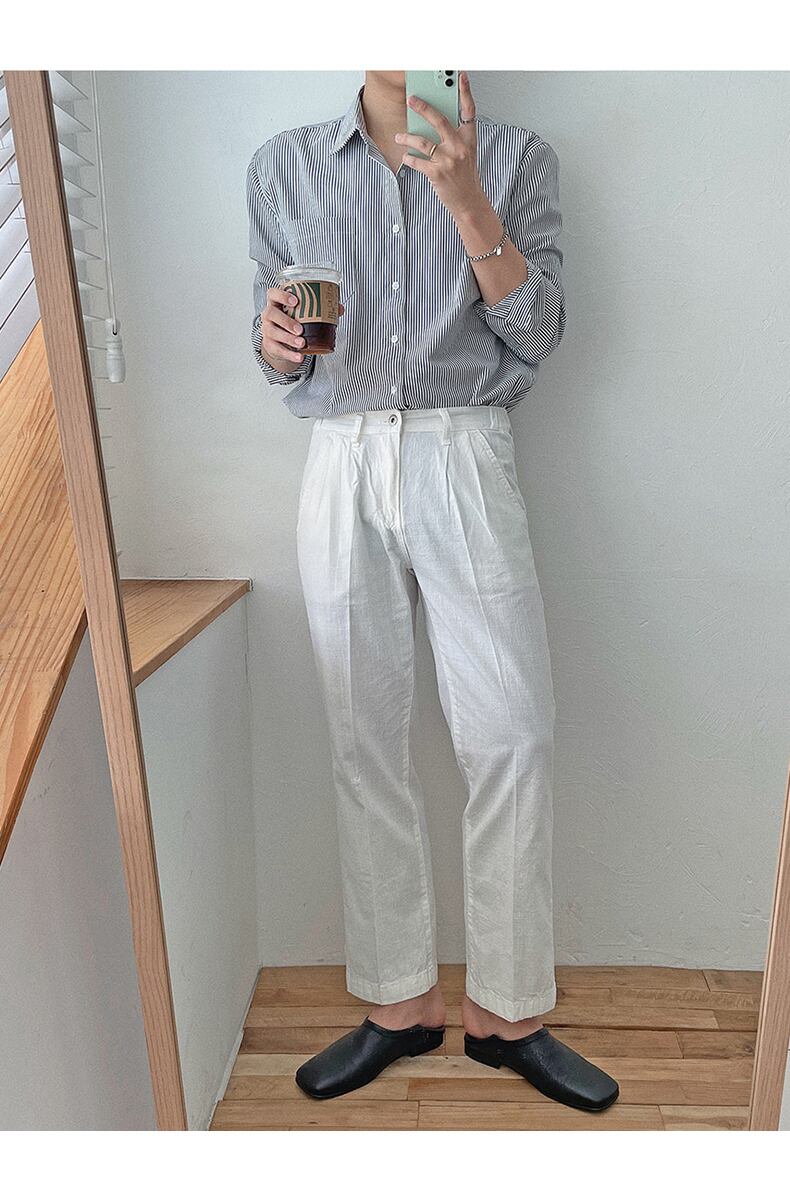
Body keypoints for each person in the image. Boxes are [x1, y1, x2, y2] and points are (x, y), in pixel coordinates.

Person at [246, 70, 618, 1112]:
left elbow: (537, 331)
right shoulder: (283, 165)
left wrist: (465, 199)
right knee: (361, 734)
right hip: (341, 454)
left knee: (512, 733)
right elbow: (279, 352)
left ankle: (509, 1013)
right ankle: (398, 1000)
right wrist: (273, 344)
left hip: (465, 450)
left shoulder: (517, 158)